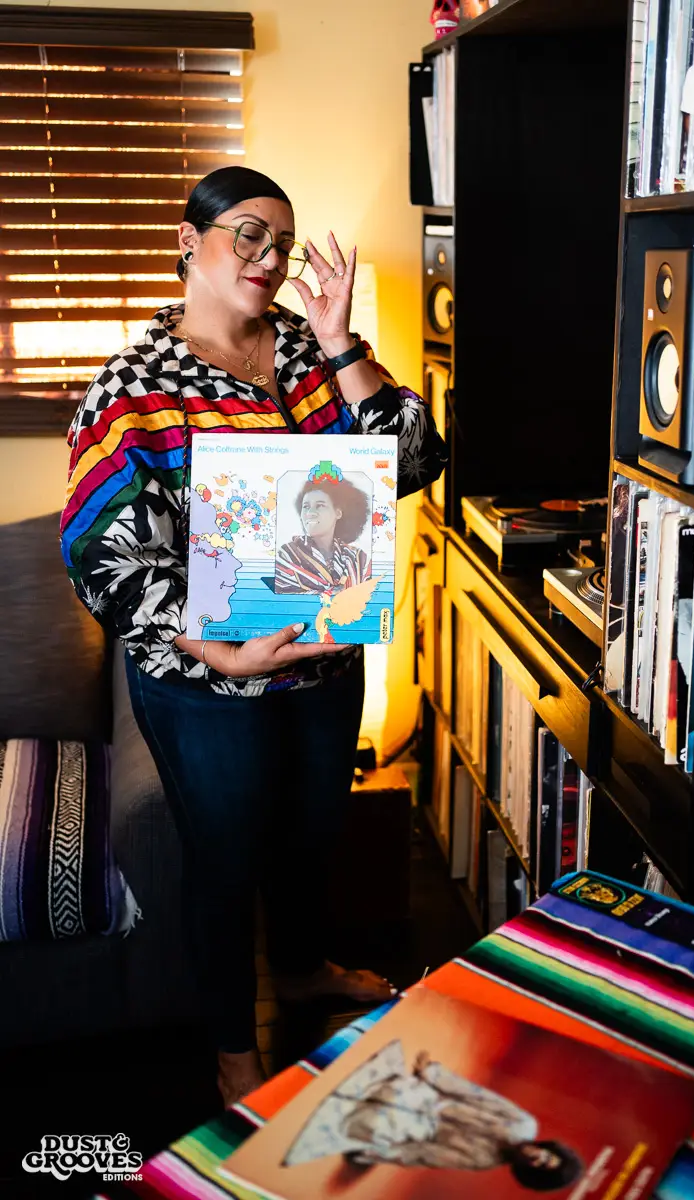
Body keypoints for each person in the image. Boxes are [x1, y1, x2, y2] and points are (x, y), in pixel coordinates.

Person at [59, 165, 447, 1108]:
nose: (269, 259)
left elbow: (415, 459)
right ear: (188, 243)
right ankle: (236, 1048)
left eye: (284, 241)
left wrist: (343, 340)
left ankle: (305, 969)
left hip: (322, 656)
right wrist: (212, 647)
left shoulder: (313, 357)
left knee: (313, 834)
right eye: (248, 235)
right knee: (225, 858)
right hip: (206, 680)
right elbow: (99, 548)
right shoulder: (134, 384)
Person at [283, 1039, 583, 1190]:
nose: (537, 1158)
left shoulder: (482, 1161)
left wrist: (376, 1153)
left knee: (373, 1126)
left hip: (417, 1129)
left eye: (540, 1167)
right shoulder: (523, 1124)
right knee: (397, 1089)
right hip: (431, 1099)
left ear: (530, 1172)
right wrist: (433, 1075)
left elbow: (423, 1154)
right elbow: (475, 1095)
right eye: (546, 1156)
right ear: (546, 1148)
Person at [275, 476, 371, 594]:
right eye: (306, 507)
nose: (310, 513)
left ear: (338, 513)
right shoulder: (287, 555)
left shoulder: (359, 559)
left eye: (320, 505)